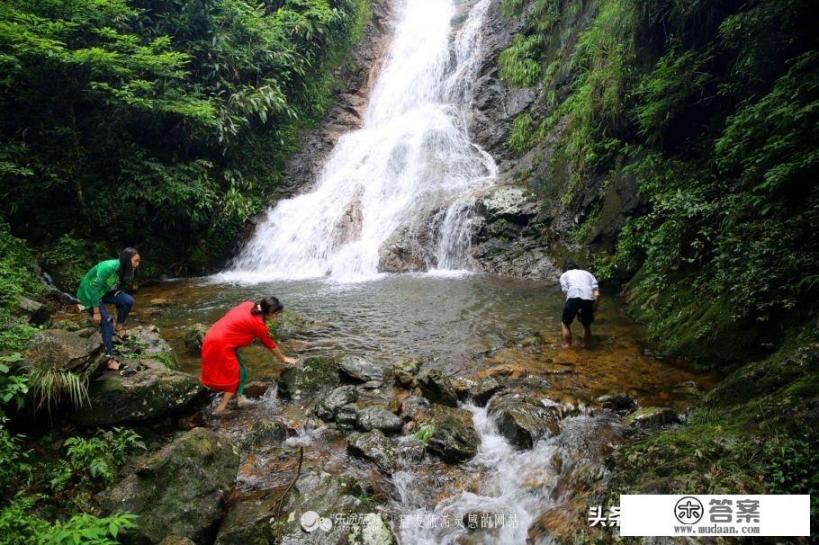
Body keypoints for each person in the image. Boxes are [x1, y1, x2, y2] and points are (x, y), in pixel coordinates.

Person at [200, 297, 297, 415]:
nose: (276, 317)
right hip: (220, 344)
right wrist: (284, 358)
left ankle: (240, 399)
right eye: (276, 314)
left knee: (242, 371)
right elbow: (270, 345)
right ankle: (220, 409)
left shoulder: (248, 304)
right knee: (233, 377)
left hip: (214, 335)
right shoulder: (258, 325)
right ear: (271, 313)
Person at [77, 248, 140, 370]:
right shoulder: (109, 267)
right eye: (135, 261)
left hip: (104, 292)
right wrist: (96, 312)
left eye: (138, 261)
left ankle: (119, 327)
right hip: (89, 294)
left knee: (128, 300)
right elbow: (94, 289)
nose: (137, 264)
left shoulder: (127, 269)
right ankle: (109, 360)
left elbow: (121, 286)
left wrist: (119, 296)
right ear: (126, 260)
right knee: (107, 322)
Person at [559, 261, 600, 349]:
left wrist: (571, 307)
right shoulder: (589, 274)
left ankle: (568, 345)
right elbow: (597, 294)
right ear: (578, 268)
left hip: (573, 297)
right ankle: (585, 345)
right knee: (586, 325)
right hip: (588, 299)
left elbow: (566, 292)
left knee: (565, 324)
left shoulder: (564, 275)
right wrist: (594, 308)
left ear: (566, 269)